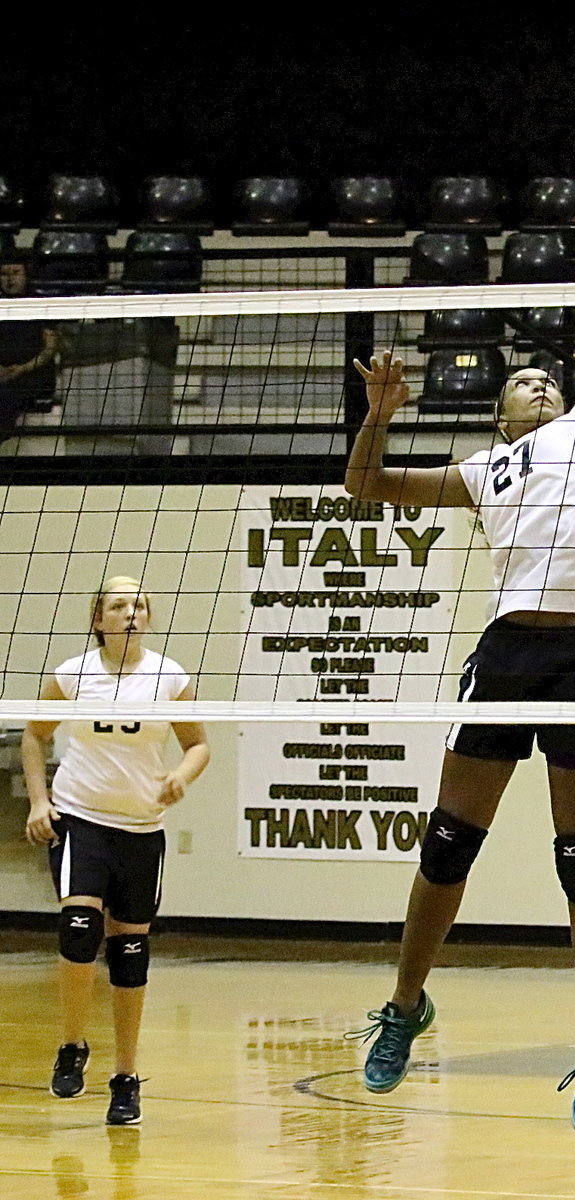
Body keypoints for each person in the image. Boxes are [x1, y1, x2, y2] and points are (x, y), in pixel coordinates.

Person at [343, 143, 575, 1134]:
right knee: (449, 843)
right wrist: (377, 418)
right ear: (498, 412)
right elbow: (365, 489)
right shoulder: (484, 470)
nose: (541, 383)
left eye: (548, 378)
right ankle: (405, 1006)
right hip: (505, 657)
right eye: (524, 381)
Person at [22, 576, 209, 1125]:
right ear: (98, 618)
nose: (131, 613)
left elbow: (199, 744)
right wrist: (38, 802)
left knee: (130, 953)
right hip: (82, 818)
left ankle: (125, 1078)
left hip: (141, 827)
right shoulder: (74, 673)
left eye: (140, 605)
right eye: (119, 605)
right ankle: (72, 1045)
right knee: (79, 928)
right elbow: (34, 736)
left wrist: (180, 776)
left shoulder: (169, 676)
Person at [0, 255, 59, 443]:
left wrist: (22, 369)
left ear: (26, 275)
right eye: (4, 274)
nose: (10, 279)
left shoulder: (39, 303)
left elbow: (50, 348)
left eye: (15, 273)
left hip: (33, 373)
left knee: (6, 394)